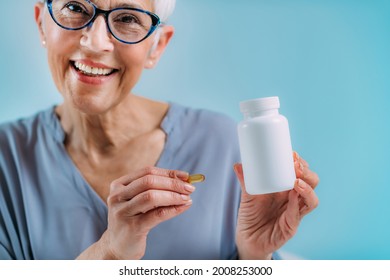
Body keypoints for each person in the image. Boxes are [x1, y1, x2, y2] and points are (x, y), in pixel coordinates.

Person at [0, 0, 319, 260]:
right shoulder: (6, 157)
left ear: (157, 46)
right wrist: (109, 253)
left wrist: (253, 257)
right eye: (74, 8)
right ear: (41, 22)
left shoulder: (220, 143)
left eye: (126, 18)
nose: (96, 42)